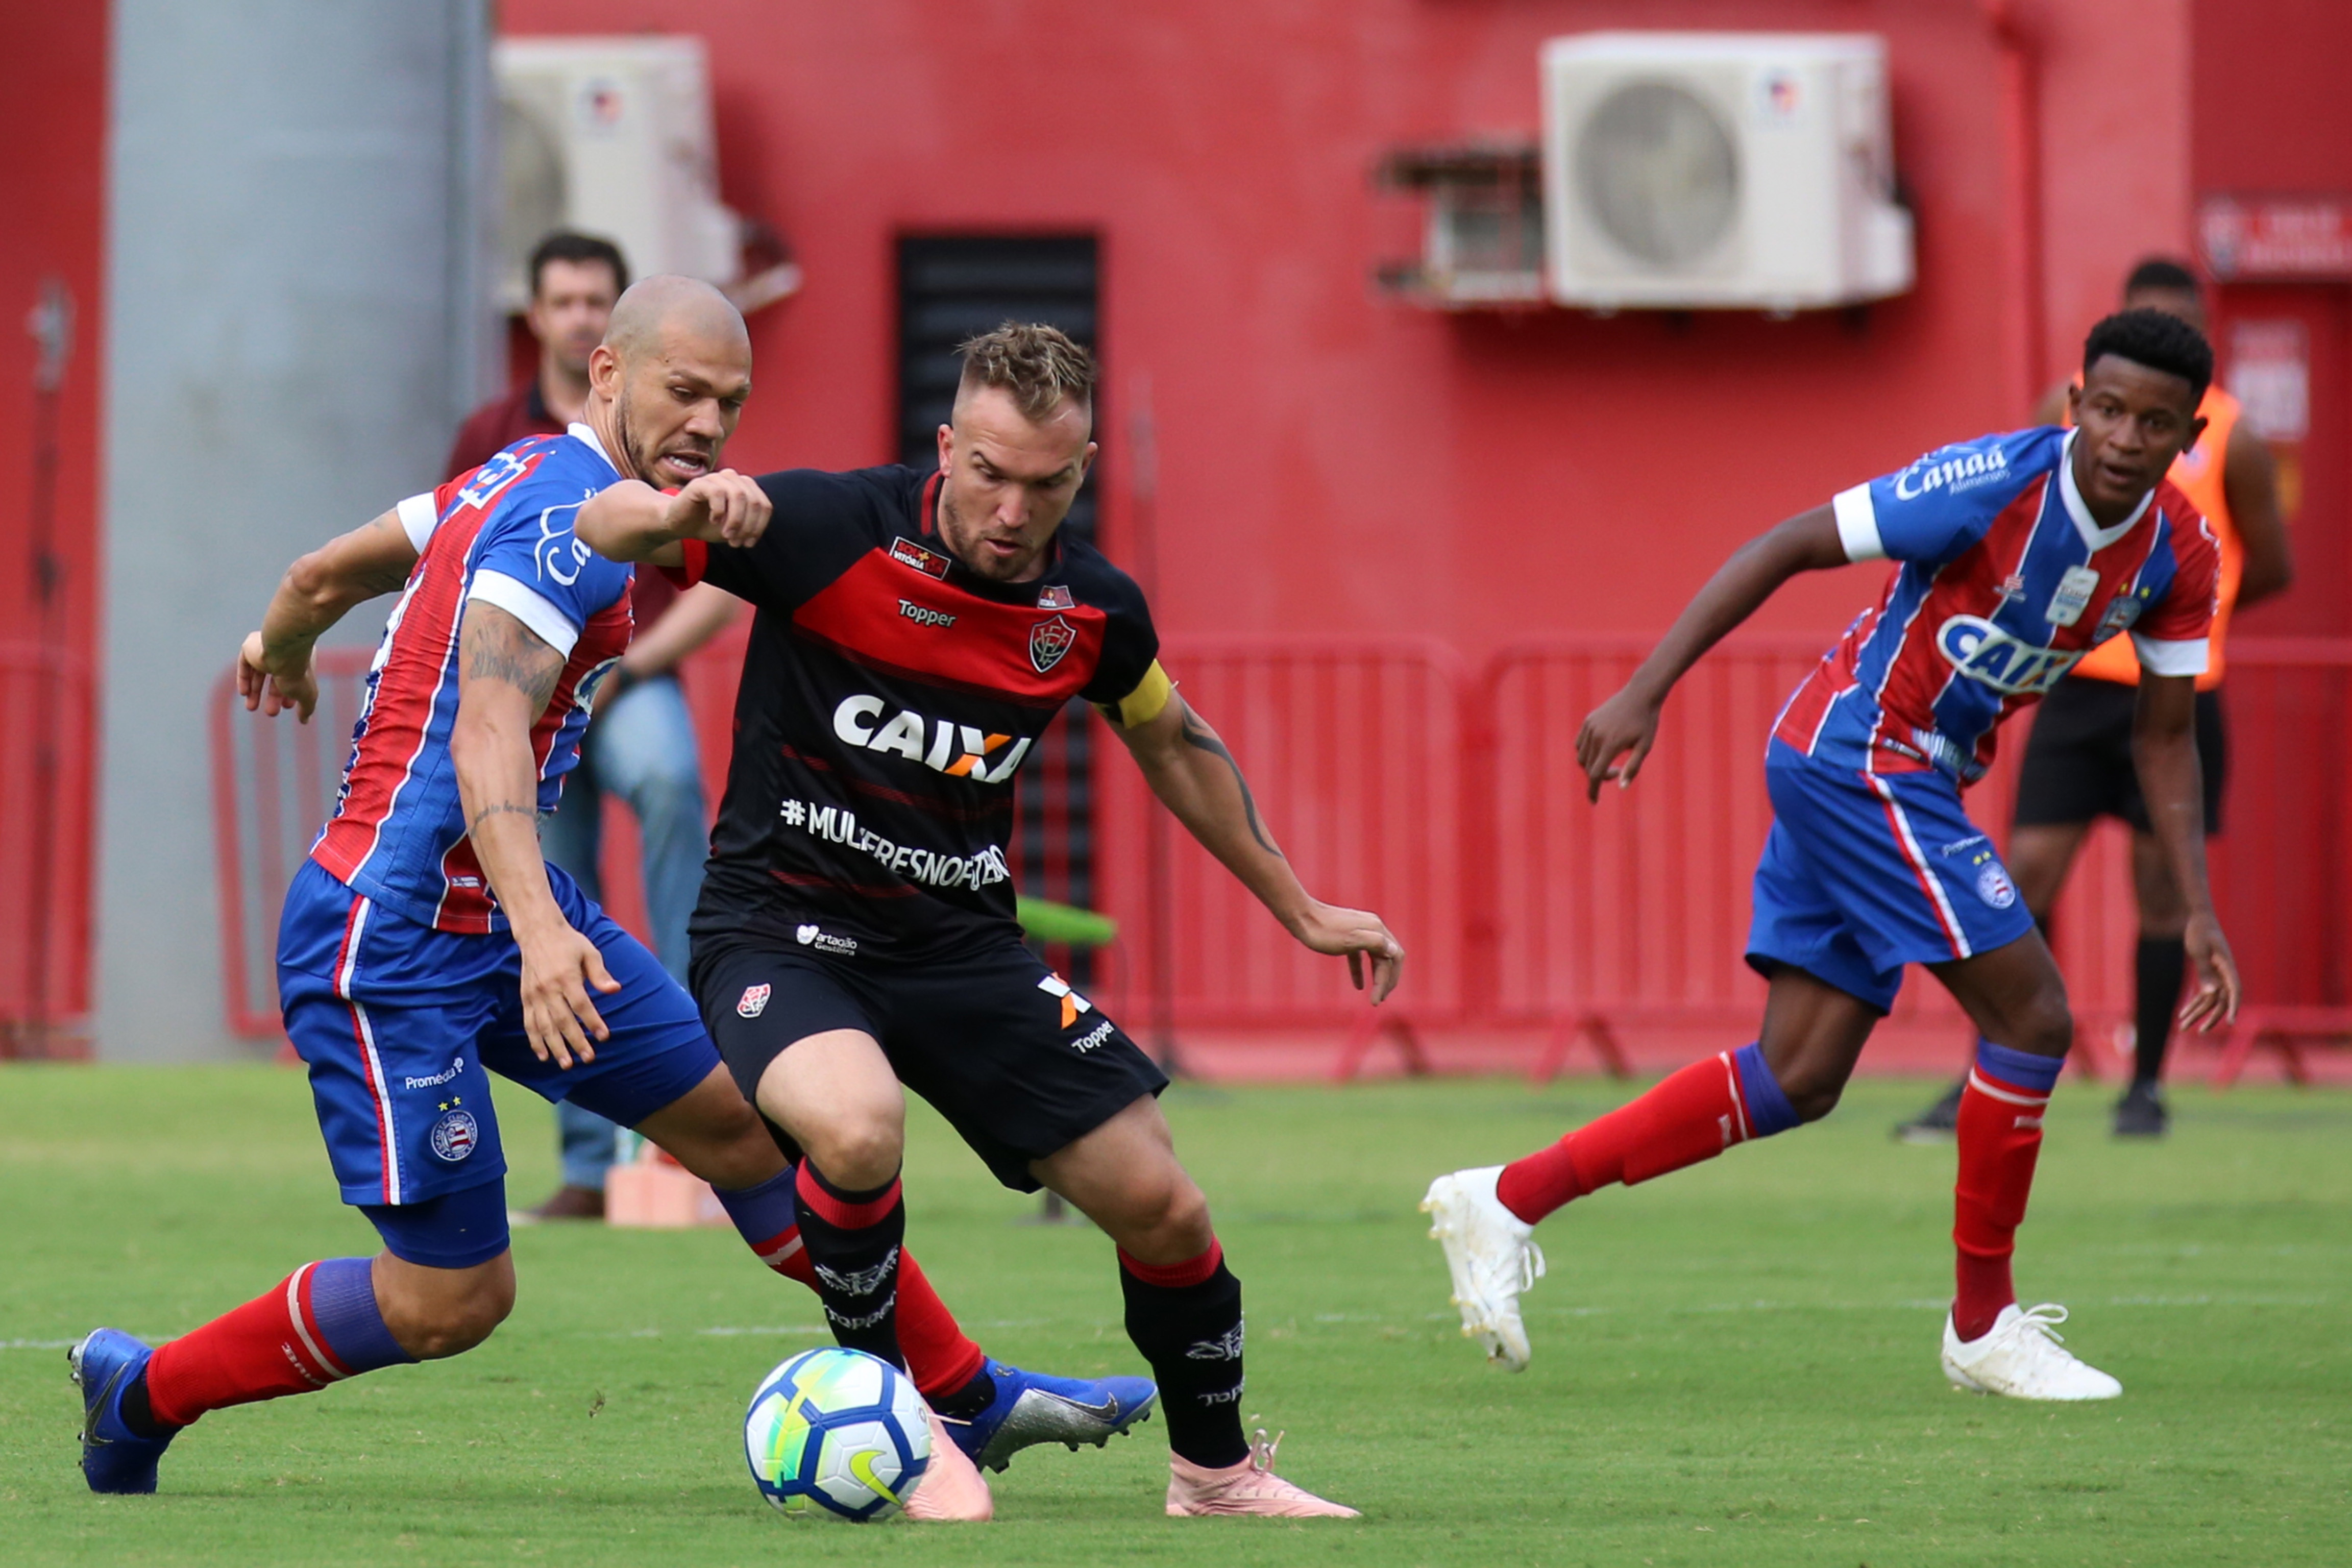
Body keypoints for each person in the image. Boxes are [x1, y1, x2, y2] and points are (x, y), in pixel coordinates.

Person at [69, 281, 1154, 1515]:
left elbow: (327, 572)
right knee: (453, 1302)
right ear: (603, 374)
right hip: (393, 938)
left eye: (729, 402)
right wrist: (538, 939)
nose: (706, 418)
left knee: (751, 1129)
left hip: (511, 907)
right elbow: (488, 734)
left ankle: (962, 1391)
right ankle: (143, 1391)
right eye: (680, 391)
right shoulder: (555, 533)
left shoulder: (507, 475)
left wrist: (277, 644)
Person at [576, 322, 1404, 1517]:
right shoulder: (822, 528)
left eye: (1050, 482)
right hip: (782, 929)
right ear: (947, 445)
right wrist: (690, 511)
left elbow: (1170, 741)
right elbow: (603, 525)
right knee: (855, 1134)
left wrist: (1302, 906)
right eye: (992, 474)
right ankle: (906, 1429)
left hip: (961, 947)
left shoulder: (1093, 613)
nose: (1016, 510)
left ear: (1084, 468)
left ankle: (1215, 1476)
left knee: (1162, 1205)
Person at [1422, 309, 2240, 1401]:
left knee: (1799, 1076)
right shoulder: (1992, 484)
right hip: (1859, 757)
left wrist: (2197, 904)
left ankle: (1507, 1197)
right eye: (2104, 408)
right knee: (2035, 1016)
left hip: (1902, 773)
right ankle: (1982, 1324)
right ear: (2074, 400)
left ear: (2188, 432)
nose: (2122, 437)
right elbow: (1787, 543)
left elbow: (2167, 733)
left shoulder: (2183, 553)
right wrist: (1646, 689)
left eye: (2152, 421)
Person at [1895, 260, 2291, 1142]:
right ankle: (1991, 1069)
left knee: (2161, 894)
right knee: (2024, 872)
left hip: (2178, 702)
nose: (2124, 432)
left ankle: (2145, 1088)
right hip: (2077, 693)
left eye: (2179, 325)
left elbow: (2271, 563)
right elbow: (2025, 514)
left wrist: (2180, 627)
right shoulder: (2064, 407)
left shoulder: (2233, 437)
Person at [448, 229, 743, 1220]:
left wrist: (631, 666)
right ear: (536, 316)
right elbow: (441, 550)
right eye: (561, 299)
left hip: (633, 676)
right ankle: (587, 1164)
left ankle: (704, 1059)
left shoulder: (671, 424)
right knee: (540, 873)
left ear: (618, 330)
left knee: (667, 783)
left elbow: (719, 588)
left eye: (594, 300)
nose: (576, 315)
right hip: (528, 696)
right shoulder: (494, 430)